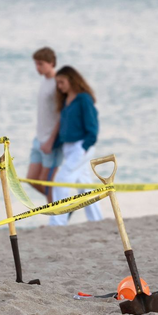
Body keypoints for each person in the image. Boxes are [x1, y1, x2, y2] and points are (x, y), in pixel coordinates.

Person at [49, 66, 104, 226]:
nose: (59, 86)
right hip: (68, 147)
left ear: (72, 80)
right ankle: (97, 220)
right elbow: (66, 128)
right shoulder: (66, 100)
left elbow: (92, 126)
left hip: (81, 146)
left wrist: (85, 146)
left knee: (61, 179)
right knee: (84, 185)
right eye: (57, 83)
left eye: (62, 82)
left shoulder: (84, 99)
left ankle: (57, 222)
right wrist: (54, 145)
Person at [27, 47, 62, 203]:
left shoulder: (57, 84)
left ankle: (56, 216)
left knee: (47, 182)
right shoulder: (44, 82)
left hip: (51, 141)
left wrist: (51, 141)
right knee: (32, 179)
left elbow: (62, 115)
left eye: (40, 64)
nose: (37, 67)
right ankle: (63, 206)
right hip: (39, 138)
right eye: (36, 64)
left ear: (51, 63)